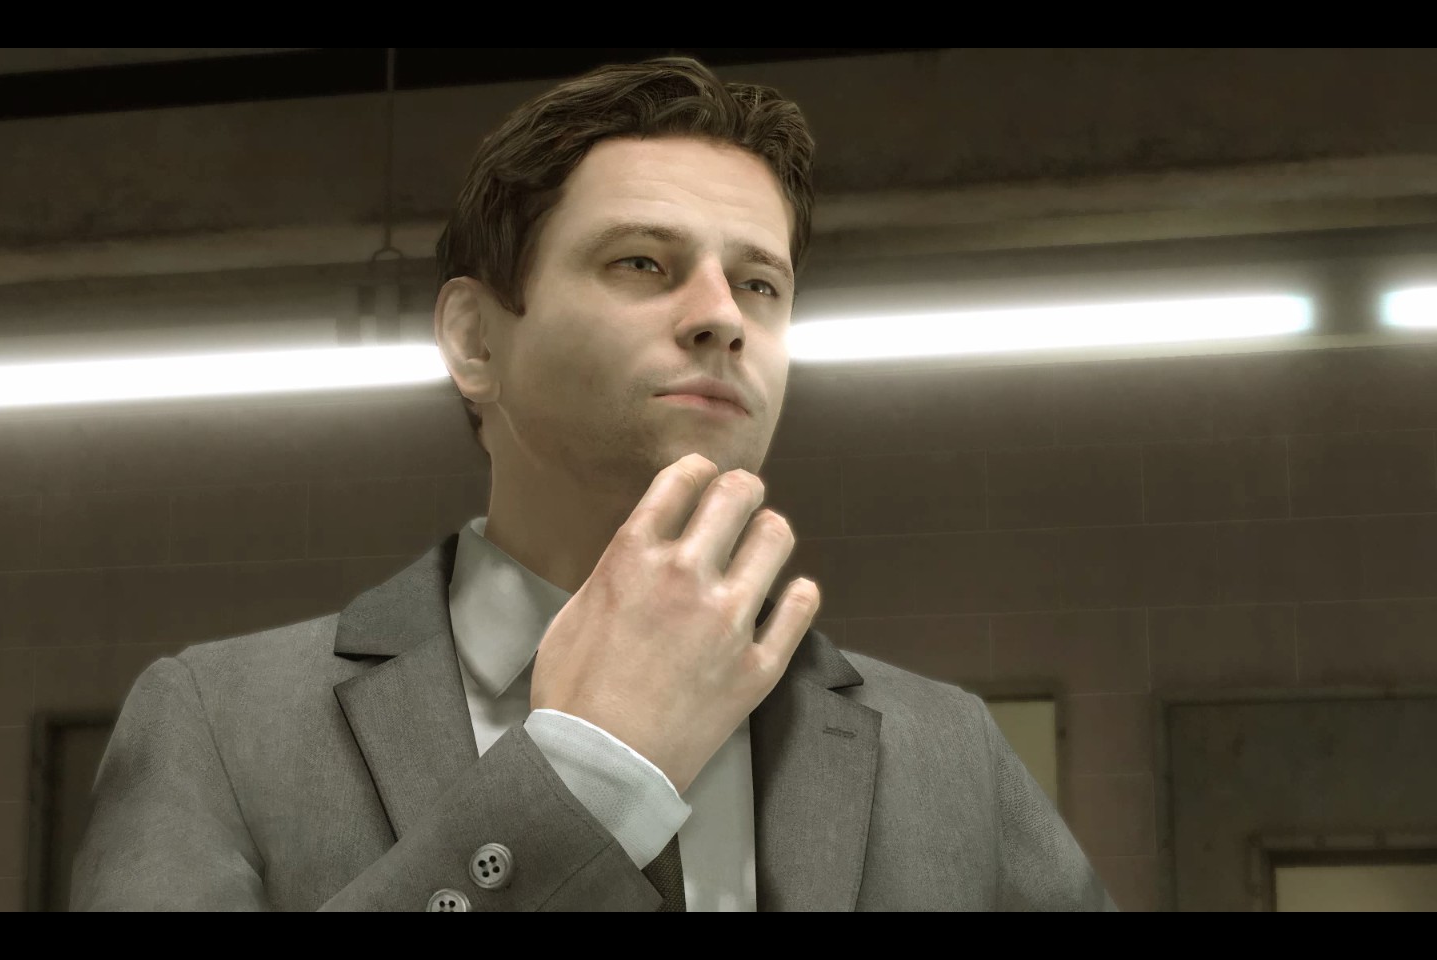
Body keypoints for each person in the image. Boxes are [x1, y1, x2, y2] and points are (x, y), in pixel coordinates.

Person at [71, 55, 1116, 912]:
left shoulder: (951, 754)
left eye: (760, 282)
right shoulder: (219, 725)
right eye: (643, 264)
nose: (724, 316)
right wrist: (582, 782)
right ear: (476, 340)